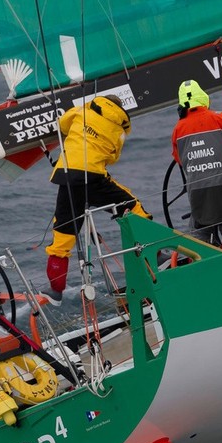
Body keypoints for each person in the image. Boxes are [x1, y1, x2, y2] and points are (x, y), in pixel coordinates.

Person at [45, 94, 150, 305]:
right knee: (132, 206)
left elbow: (62, 125)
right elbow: (113, 157)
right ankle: (153, 257)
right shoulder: (119, 131)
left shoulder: (81, 111)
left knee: (63, 235)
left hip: (67, 176)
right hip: (93, 178)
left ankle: (55, 291)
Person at [171, 80, 222, 249]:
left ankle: (197, 267)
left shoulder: (178, 129)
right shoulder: (220, 118)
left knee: (198, 235)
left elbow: (179, 159)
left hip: (197, 194)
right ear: (202, 97)